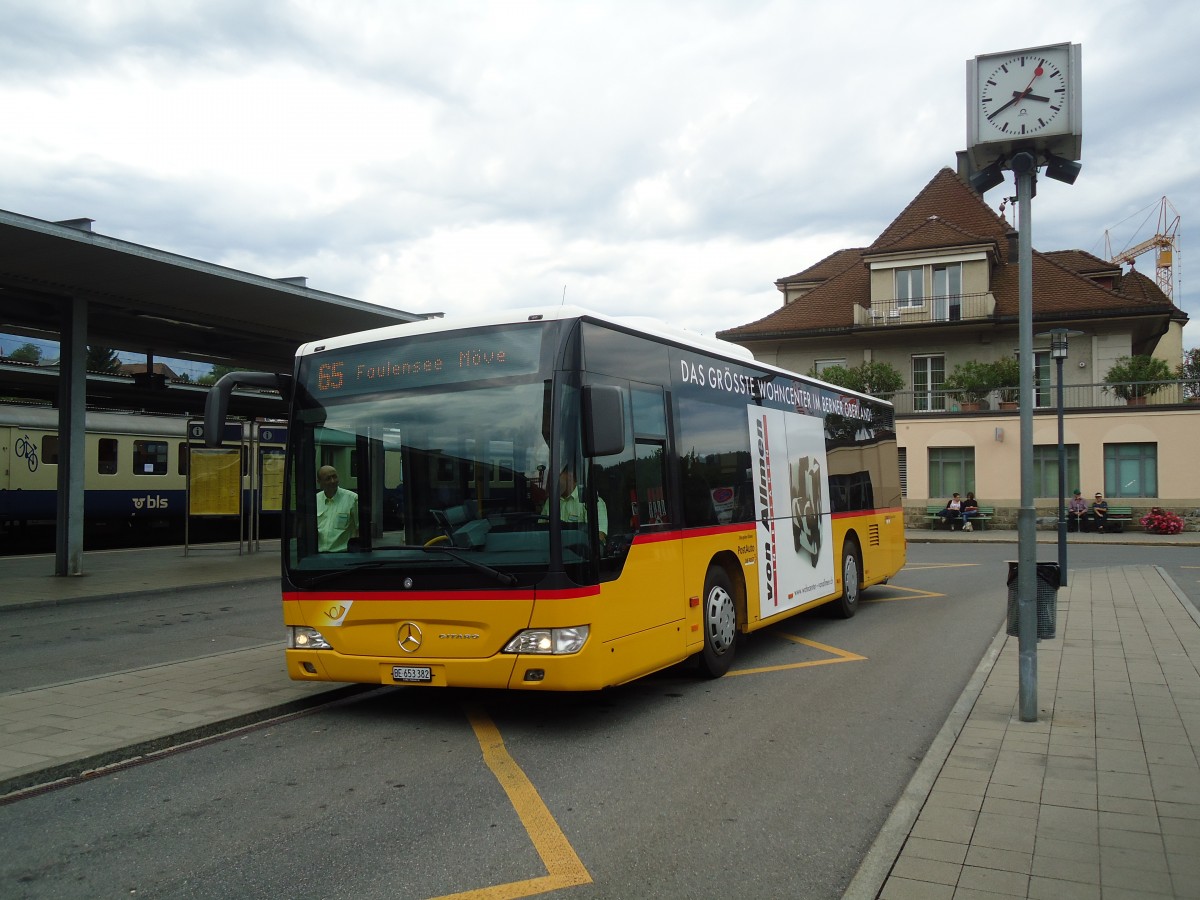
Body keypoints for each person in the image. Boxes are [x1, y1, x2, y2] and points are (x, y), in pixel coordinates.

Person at [541, 465, 608, 543]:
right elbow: (540, 529)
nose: (552, 481)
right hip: (552, 552)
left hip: (580, 553)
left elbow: (599, 535)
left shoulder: (592, 501)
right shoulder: (550, 502)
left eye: (558, 476)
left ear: (571, 478)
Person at [316, 465, 359, 552]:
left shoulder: (352, 499)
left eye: (334, 477)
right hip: (318, 555)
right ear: (319, 481)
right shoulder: (315, 500)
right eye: (328, 478)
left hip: (342, 555)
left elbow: (359, 528)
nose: (333, 481)